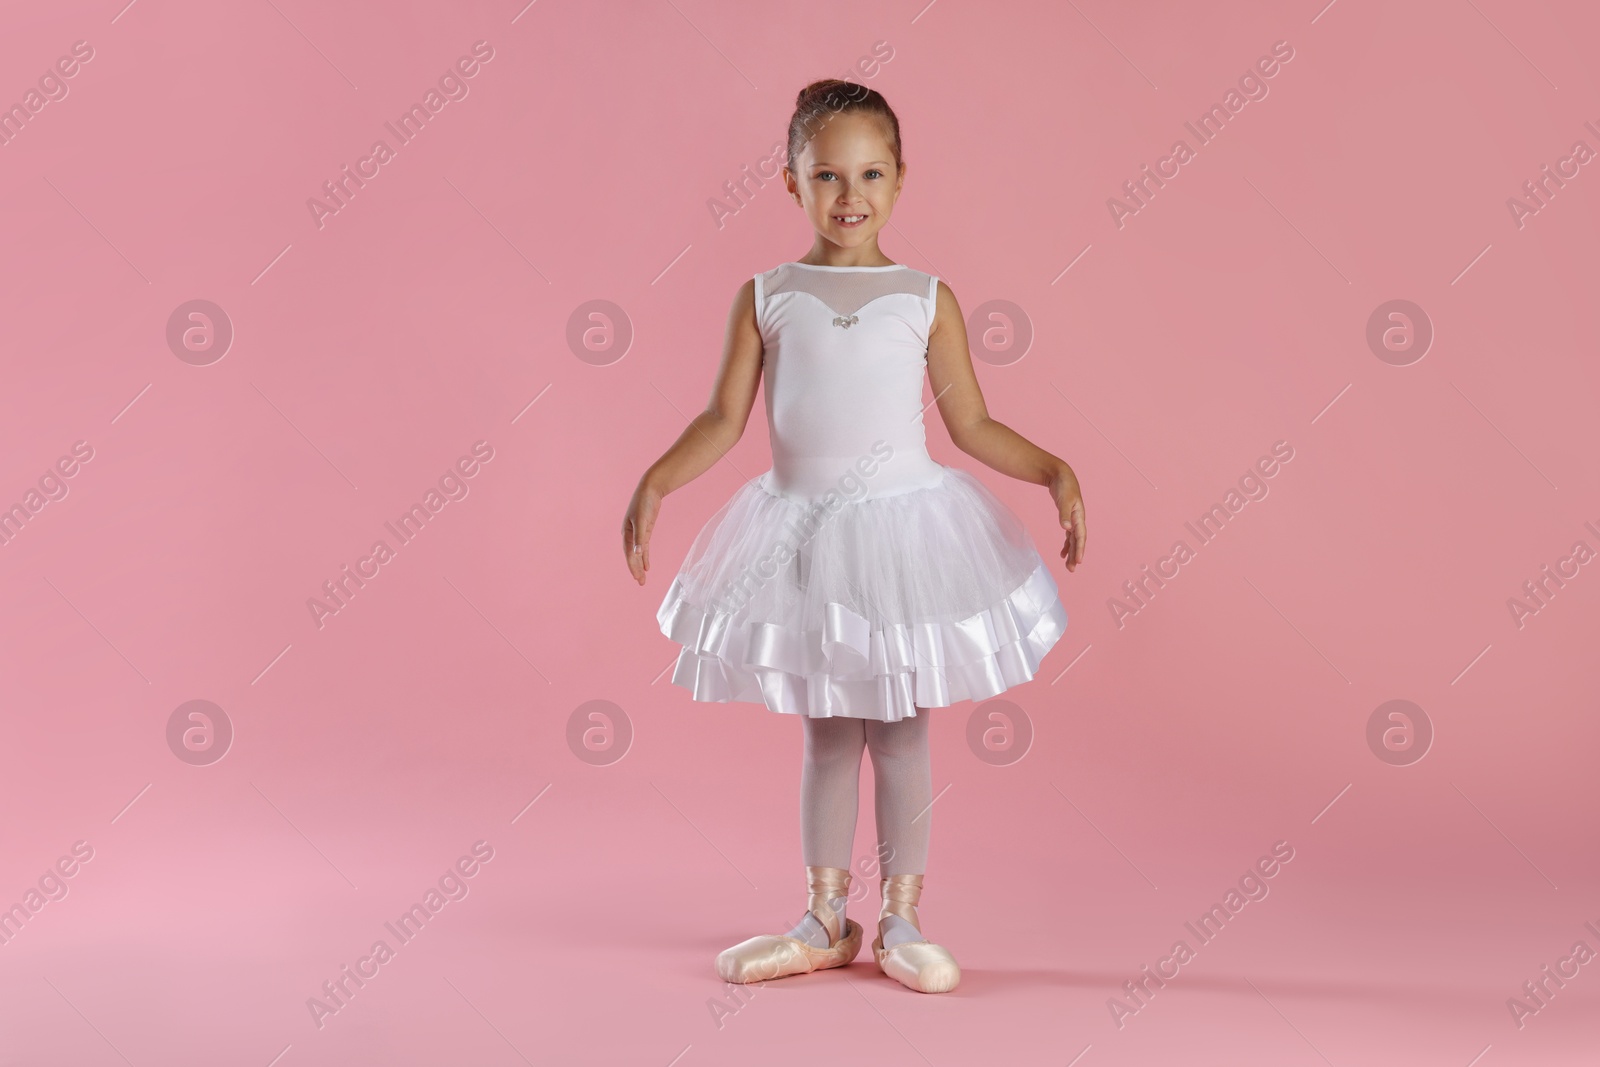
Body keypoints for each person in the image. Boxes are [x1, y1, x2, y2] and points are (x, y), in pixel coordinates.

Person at [622, 78, 1086, 994]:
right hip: (803, 533)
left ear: (901, 179)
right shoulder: (767, 295)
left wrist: (1052, 469)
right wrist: (657, 480)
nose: (850, 196)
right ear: (790, 182)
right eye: (826, 174)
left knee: (903, 729)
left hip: (906, 535)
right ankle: (824, 917)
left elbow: (970, 424)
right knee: (829, 731)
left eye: (870, 173)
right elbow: (722, 417)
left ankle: (904, 918)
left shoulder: (924, 296)